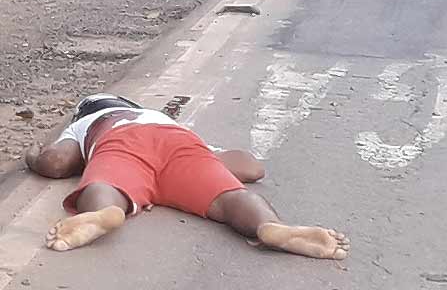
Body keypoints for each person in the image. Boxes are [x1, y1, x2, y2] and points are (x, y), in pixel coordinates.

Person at [23, 93, 349, 259]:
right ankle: (271, 226)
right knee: (231, 197)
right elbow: (252, 168)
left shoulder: (92, 121)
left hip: (121, 142)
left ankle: (102, 214)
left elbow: (56, 162)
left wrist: (34, 155)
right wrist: (213, 161)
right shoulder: (161, 119)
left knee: (105, 185)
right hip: (178, 144)